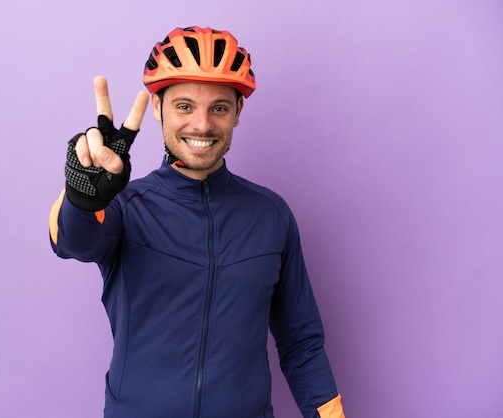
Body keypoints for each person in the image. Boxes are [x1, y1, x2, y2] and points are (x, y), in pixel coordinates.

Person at [49, 26, 345, 418]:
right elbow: (73, 243)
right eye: (184, 106)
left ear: (238, 113)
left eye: (219, 108)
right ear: (157, 108)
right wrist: (83, 198)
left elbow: (301, 343)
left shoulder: (271, 215)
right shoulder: (124, 206)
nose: (202, 125)